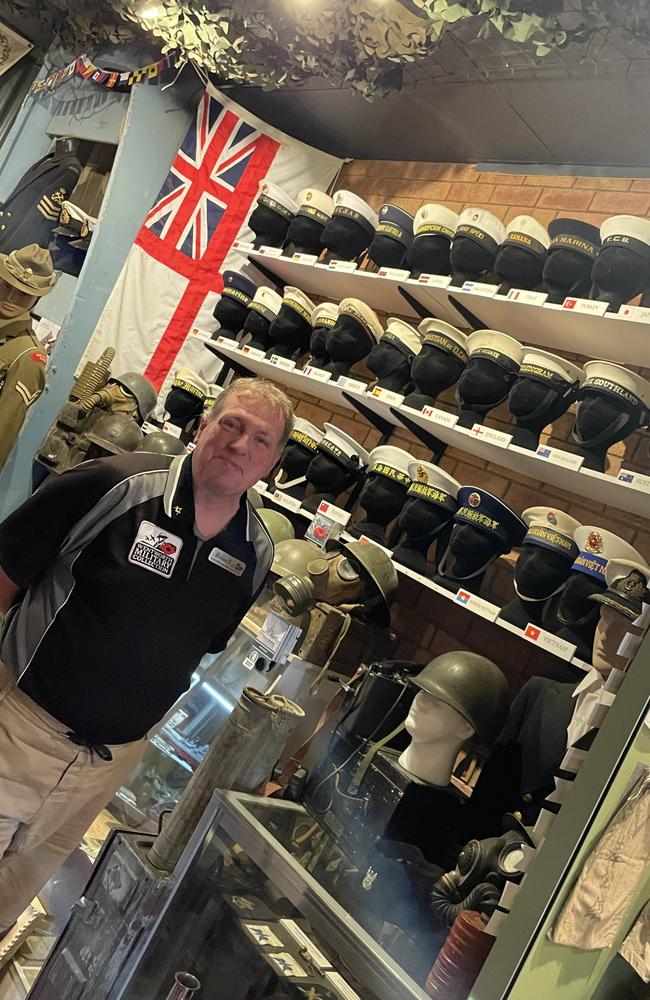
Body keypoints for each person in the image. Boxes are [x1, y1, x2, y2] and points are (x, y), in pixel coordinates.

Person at [0, 376, 293, 931]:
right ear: (202, 426)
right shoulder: (115, 485)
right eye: (230, 424)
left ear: (272, 462)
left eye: (260, 439)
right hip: (19, 729)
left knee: (12, 897)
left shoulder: (255, 552)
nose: (239, 445)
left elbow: (205, 643)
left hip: (109, 763)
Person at [0, 243, 59, 471]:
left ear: (36, 299)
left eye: (25, 294)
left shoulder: (27, 357)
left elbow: (3, 430)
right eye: (6, 286)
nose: (11, 297)